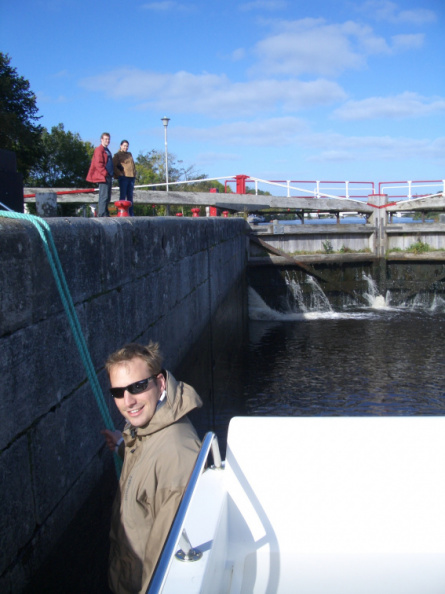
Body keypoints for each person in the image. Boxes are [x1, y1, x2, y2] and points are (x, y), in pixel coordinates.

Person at [102, 342, 202, 594]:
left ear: (160, 383)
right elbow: (148, 463)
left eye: (138, 387)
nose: (128, 401)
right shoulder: (147, 429)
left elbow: (163, 564)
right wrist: (123, 445)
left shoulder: (177, 455)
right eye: (118, 392)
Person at [86, 132, 114, 217]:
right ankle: (102, 214)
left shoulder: (107, 150)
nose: (107, 141)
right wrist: (105, 173)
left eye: (108, 139)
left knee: (108, 196)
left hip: (109, 176)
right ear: (101, 139)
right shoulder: (99, 150)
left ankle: (106, 213)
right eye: (106, 139)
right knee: (104, 196)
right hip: (103, 177)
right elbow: (98, 164)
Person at [113, 140, 137, 216]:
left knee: (130, 196)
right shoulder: (117, 155)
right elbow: (114, 166)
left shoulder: (129, 154)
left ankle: (130, 213)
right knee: (123, 196)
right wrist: (120, 174)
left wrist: (134, 174)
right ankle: (121, 213)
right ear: (121, 146)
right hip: (124, 177)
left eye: (127, 146)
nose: (125, 147)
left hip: (131, 177)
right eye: (124, 146)